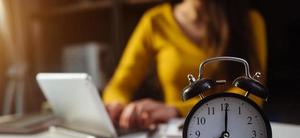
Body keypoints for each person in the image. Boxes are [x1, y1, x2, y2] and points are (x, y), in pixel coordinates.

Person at [103, 0, 267, 131]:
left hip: (234, 129)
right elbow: (120, 84)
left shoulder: (250, 21)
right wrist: (116, 104)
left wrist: (177, 110)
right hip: (176, 133)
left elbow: (252, 93)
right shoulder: (155, 21)